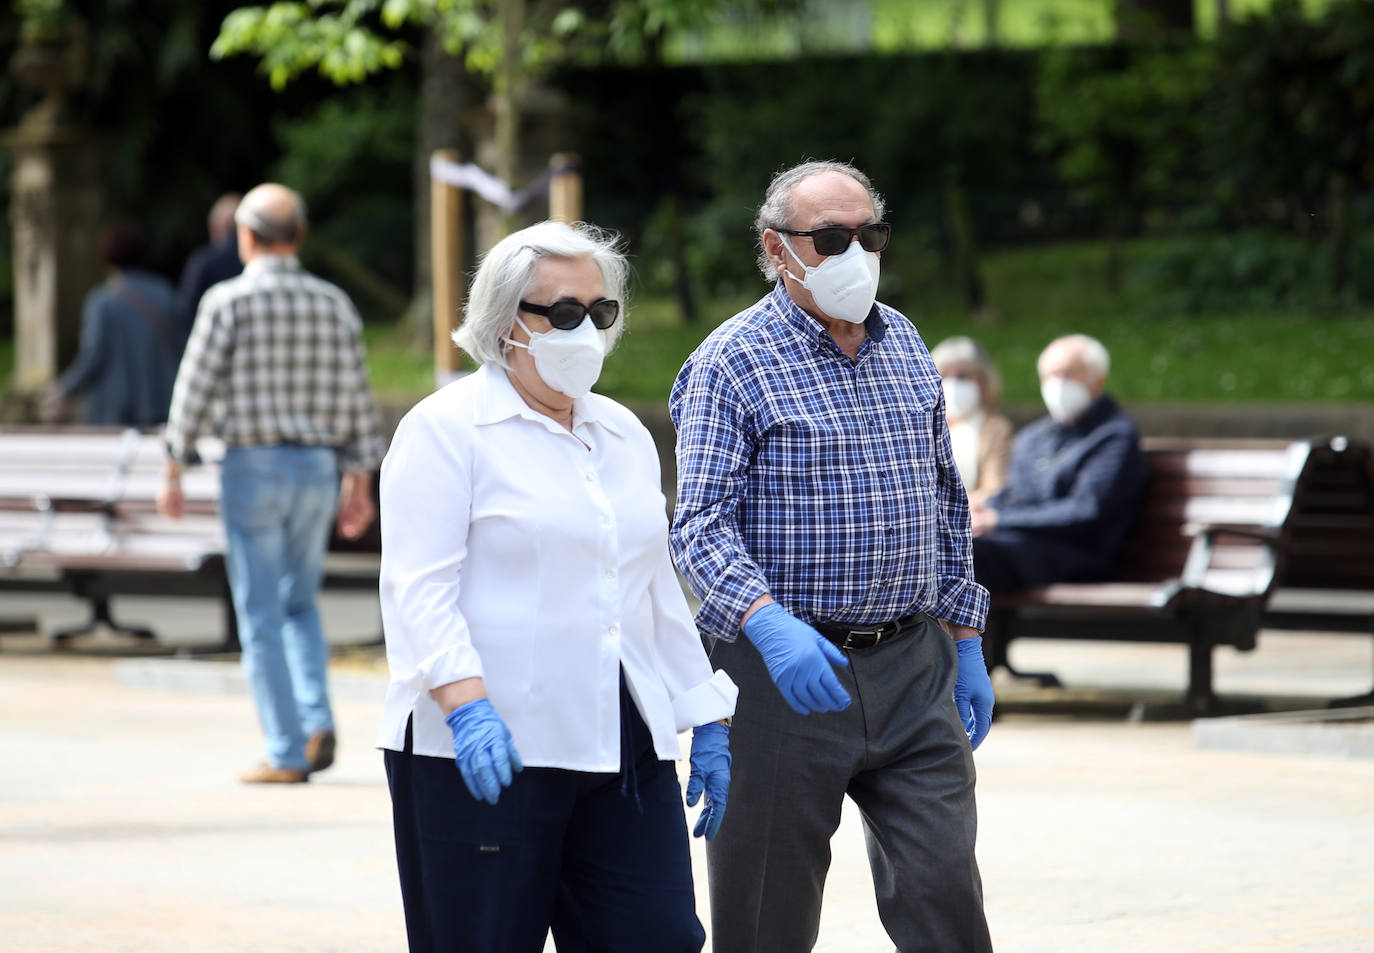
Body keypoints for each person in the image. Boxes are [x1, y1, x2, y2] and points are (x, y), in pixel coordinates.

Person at [377, 221, 737, 953]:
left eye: (600, 312)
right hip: (488, 743)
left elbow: (652, 586)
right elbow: (418, 589)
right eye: (563, 312)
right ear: (505, 323)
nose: (586, 331)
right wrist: (466, 706)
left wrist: (705, 714)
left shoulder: (624, 434)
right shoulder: (446, 429)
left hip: (620, 740)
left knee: (658, 937)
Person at [669, 160, 996, 953]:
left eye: (869, 233)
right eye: (830, 237)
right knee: (766, 915)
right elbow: (699, 525)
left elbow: (945, 498)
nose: (856, 252)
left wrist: (966, 639)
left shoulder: (905, 340)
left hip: (913, 664)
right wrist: (765, 623)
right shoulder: (731, 360)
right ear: (776, 249)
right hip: (784, 671)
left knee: (945, 891)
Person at [158, 183, 386, 784]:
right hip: (317, 469)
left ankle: (285, 751)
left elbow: (194, 388)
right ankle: (315, 721)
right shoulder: (334, 303)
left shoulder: (226, 301)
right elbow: (357, 397)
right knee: (299, 602)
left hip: (253, 467)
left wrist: (174, 463)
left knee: (259, 610)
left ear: (246, 236)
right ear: (300, 235)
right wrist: (360, 479)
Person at [970, 333, 1148, 595]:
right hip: (1021, 545)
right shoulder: (1033, 437)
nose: (1058, 384)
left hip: (1076, 554)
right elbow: (1017, 495)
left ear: (1098, 381)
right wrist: (985, 509)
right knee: (946, 546)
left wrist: (998, 520)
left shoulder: (1114, 438)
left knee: (969, 554)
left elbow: (1085, 510)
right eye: (1050, 375)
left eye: (1069, 374)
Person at [42, 224, 178, 427]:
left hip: (115, 412)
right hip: (161, 404)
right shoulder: (166, 293)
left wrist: (64, 388)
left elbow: (93, 357)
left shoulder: (103, 300)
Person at [931, 335, 1014, 504]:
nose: (953, 384)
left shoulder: (995, 429)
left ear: (984, 382)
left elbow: (994, 489)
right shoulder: (922, 427)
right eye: (944, 376)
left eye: (962, 376)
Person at [173, 192, 243, 353]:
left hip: (213, 351)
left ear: (216, 227)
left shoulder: (203, 261)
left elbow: (186, 312)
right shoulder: (258, 263)